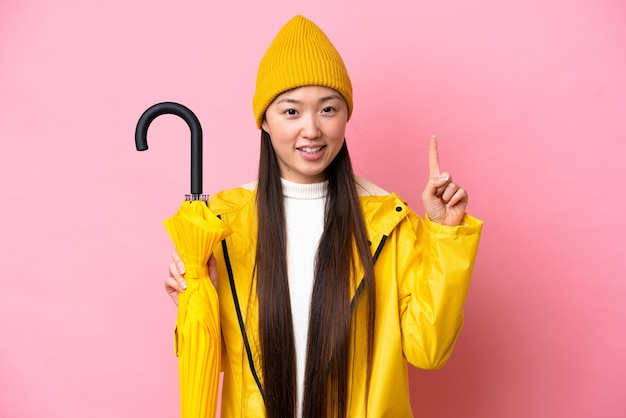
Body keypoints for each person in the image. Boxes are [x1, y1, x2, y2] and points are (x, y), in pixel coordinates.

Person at [165, 15, 482, 418]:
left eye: (328, 109)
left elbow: (429, 350)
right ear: (264, 120)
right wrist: (194, 304)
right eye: (291, 112)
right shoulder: (222, 223)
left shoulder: (390, 221)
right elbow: (222, 363)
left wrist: (445, 235)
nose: (312, 130)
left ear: (345, 116)